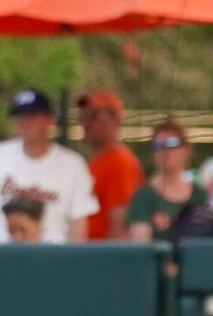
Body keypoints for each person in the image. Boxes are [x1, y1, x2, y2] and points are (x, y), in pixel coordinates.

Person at [0, 89, 99, 243]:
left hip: (52, 259)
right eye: (19, 116)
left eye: (32, 116)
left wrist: (72, 263)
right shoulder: (2, 155)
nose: (24, 122)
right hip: (5, 258)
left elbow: (78, 225)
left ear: (50, 119)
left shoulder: (72, 165)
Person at [77, 90, 145, 240]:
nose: (87, 123)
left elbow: (120, 223)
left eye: (95, 116)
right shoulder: (97, 162)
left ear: (115, 121)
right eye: (84, 116)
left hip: (101, 257)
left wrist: (109, 260)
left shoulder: (119, 162)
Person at [126, 119, 206, 242]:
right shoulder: (143, 197)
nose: (165, 152)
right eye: (158, 146)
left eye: (172, 144)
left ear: (186, 150)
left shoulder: (200, 195)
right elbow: (141, 246)